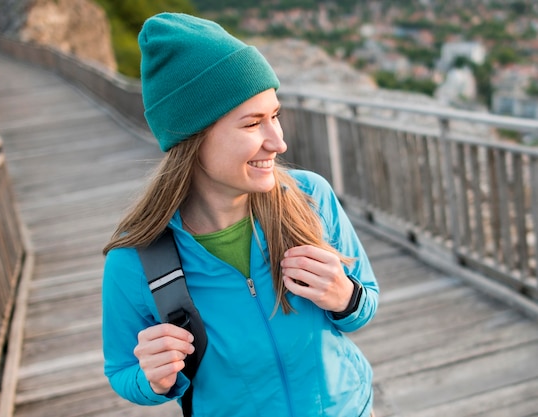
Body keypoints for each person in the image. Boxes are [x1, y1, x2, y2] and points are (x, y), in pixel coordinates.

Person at [101, 12, 379, 417]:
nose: (278, 142)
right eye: (252, 124)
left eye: (275, 116)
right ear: (192, 139)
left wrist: (345, 296)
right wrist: (154, 379)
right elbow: (122, 371)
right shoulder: (135, 262)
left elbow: (364, 305)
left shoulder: (310, 197)